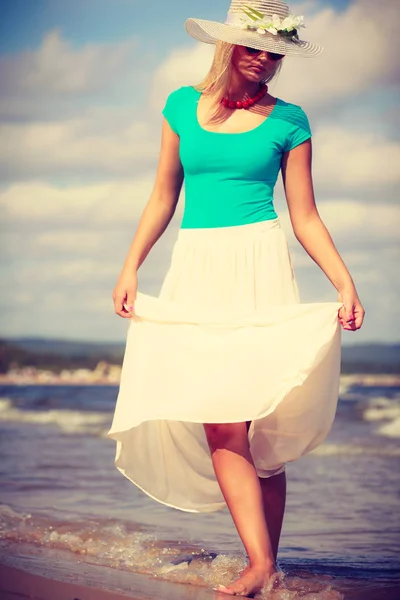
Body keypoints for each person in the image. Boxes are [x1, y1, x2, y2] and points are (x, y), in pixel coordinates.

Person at [109, 0, 365, 596]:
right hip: (197, 269)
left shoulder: (290, 120)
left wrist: (344, 281)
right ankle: (260, 565)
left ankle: (263, 565)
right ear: (226, 45)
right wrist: (130, 267)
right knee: (223, 424)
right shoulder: (179, 106)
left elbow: (304, 215)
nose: (265, 61)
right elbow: (161, 197)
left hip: (260, 265)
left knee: (264, 435)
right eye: (255, 48)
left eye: (275, 53)